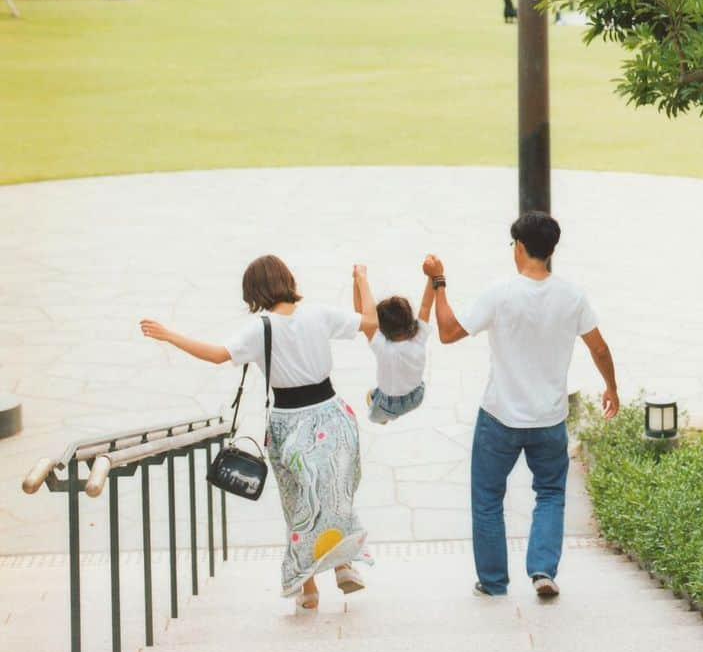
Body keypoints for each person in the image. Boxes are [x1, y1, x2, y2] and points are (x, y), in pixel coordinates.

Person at [139, 254, 374, 612]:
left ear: (254, 291)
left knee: (297, 503)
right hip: (332, 415)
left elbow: (218, 355)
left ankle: (307, 587)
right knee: (333, 495)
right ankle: (343, 564)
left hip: (289, 422)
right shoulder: (319, 314)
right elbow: (370, 322)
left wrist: (171, 335)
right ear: (287, 280)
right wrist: (360, 279)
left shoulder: (260, 327)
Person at [423, 212, 619, 600]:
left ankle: (494, 582)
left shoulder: (500, 293)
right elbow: (598, 347)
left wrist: (439, 282)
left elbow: (447, 333)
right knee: (550, 493)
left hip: (500, 416)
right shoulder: (572, 296)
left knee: (487, 498)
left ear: (520, 247)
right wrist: (611, 386)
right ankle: (543, 570)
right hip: (549, 418)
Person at [358, 268, 433, 424]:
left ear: (382, 329)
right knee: (389, 383)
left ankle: (384, 416)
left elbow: (364, 314)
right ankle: (381, 401)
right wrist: (433, 276)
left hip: (390, 404)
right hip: (417, 395)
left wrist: (360, 279)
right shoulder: (420, 335)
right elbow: (426, 306)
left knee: (373, 415)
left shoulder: (382, 347)